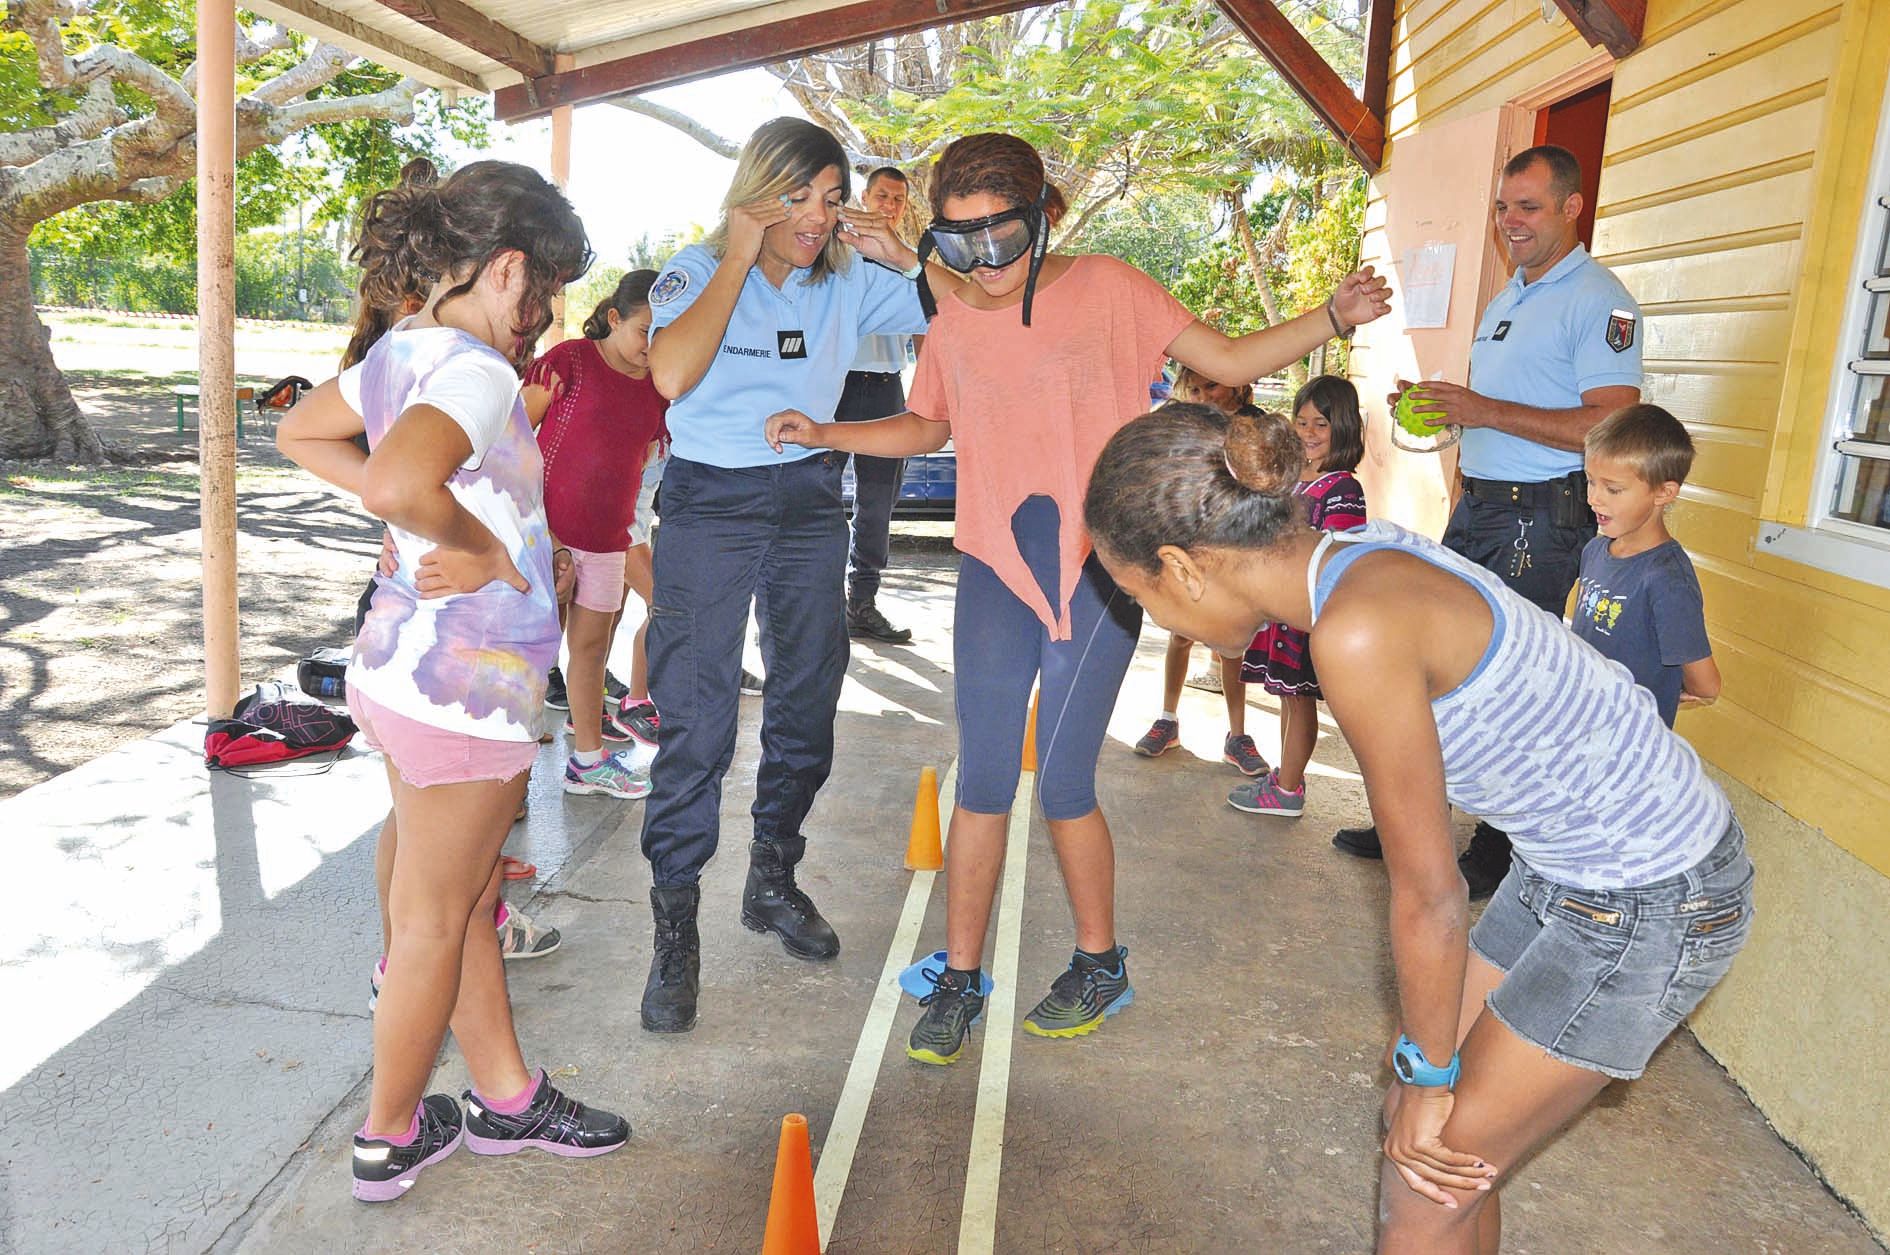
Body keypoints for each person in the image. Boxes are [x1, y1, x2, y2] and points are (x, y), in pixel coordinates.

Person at [764, 131, 1390, 1066]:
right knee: (978, 783)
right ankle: (962, 973)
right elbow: (930, 422)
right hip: (991, 569)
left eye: (1000, 233)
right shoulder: (953, 312)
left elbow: (1224, 351)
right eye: (959, 238)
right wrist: (829, 429)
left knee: (1062, 784)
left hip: (1095, 571)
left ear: (1043, 216)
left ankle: (1101, 961)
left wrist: (1330, 318)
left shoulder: (1107, 287)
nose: (982, 257)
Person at [1084, 404, 1752, 1253]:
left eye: (1137, 596)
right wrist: (1424, 1075)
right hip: (1572, 866)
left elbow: (1431, 894)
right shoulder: (1355, 555)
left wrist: (1434, 1073)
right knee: (1423, 1133)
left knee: (1425, 1174)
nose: (1154, 617)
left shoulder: (1356, 629)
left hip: (1653, 888)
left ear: (1179, 568)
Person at [277, 160, 630, 1201]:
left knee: (462, 898)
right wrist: (474, 540)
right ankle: (389, 1136)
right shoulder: (472, 368)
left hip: (409, 672)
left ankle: (506, 1096)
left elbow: (304, 430)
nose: (546, 316)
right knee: (434, 918)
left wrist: (470, 533)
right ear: (507, 267)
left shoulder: (401, 351)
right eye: (546, 292)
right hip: (461, 694)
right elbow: (396, 479)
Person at [635, 118, 962, 1034]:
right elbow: (668, 373)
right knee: (697, 715)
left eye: (829, 198)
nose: (817, 217)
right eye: (798, 197)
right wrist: (739, 253)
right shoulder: (698, 273)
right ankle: (675, 928)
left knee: (809, 701)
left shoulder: (852, 278)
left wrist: (906, 251)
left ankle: (771, 877)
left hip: (812, 498)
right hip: (711, 502)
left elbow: (968, 305)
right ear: (756, 192)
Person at [1334, 144, 1645, 896]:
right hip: (1481, 506)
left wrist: (1482, 409)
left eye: (1529, 207)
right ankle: (1414, 822)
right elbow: (1506, 411)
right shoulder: (1513, 294)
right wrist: (1447, 404)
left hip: (1542, 516)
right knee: (1427, 661)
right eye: (1504, 207)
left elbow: (1612, 424)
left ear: (1573, 207)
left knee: (1515, 682)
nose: (1511, 222)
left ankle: (1501, 851)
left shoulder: (1601, 301)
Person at [527, 270, 668, 798]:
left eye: (665, 335)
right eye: (645, 331)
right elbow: (515, 435)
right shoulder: (570, 360)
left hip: (610, 539)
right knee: (533, 652)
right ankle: (505, 776)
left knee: (588, 651)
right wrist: (538, 530)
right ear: (614, 318)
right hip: (546, 534)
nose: (652, 347)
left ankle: (587, 761)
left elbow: (643, 467)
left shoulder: (659, 389)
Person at [1229, 376, 1367, 818]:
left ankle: (1288, 791)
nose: (1308, 432)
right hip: (1283, 608)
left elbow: (1337, 553)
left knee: (1300, 697)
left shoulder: (1342, 487)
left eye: (1321, 424)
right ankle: (1287, 775)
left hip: (1308, 611)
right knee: (1288, 697)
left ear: (1342, 427)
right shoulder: (1296, 479)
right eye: (1301, 421)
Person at [1135, 368, 1268, 776]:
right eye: (1193, 388)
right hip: (1191, 540)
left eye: (1211, 385)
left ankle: (1238, 735)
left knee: (1232, 642)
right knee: (1180, 634)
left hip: (1235, 544)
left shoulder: (1255, 424)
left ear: (1238, 382)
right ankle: (1167, 720)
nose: (1202, 394)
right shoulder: (1184, 422)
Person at [1573, 404, 1720, 726]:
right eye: (1590, 481)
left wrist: (1671, 691)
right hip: (1582, 722)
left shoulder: (1667, 580)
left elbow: (1707, 685)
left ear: (1664, 493)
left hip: (1629, 742)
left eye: (1612, 489)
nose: (1594, 498)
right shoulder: (1596, 551)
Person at [838, 166, 924, 644]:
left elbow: (926, 326)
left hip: (886, 389)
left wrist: (934, 390)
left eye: (898, 199)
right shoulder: (840, 247)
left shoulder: (909, 259)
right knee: (822, 493)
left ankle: (862, 603)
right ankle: (823, 602)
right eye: (882, 195)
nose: (889, 205)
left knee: (878, 504)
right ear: (864, 196)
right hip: (836, 387)